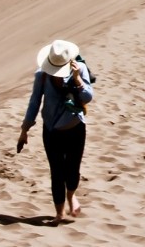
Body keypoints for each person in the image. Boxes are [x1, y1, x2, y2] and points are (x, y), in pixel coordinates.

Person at [18, 40, 94, 225]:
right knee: (57, 172)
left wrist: (77, 80)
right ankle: (59, 213)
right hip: (51, 131)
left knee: (72, 171)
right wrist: (24, 130)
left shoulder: (80, 69)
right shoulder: (42, 76)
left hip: (75, 128)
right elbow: (34, 102)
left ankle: (71, 196)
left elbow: (88, 97)